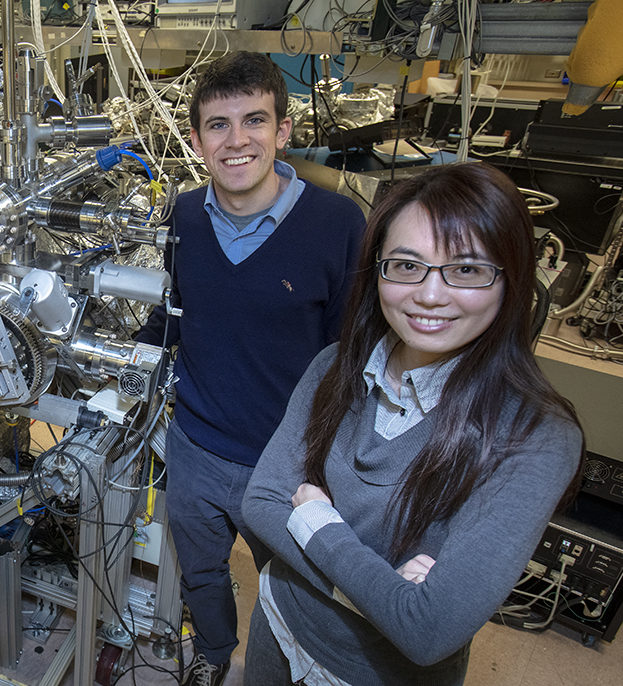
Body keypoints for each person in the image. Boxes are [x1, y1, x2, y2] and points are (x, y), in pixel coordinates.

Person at [241, 162, 584, 685]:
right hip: (280, 618)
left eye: (466, 270)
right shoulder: (334, 366)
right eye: (407, 265)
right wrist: (385, 593)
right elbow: (261, 502)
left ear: (510, 278)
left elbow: (427, 633)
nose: (430, 294)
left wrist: (316, 524)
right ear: (378, 269)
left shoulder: (535, 438)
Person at [135, 51, 366, 684]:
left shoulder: (337, 223)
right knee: (202, 571)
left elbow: (351, 356)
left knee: (294, 589)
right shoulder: (182, 214)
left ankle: (281, 669)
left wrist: (329, 463)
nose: (237, 142)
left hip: (286, 461)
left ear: (283, 132)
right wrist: (129, 360)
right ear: (195, 139)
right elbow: (173, 314)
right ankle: (212, 658)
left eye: (254, 121)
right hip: (196, 448)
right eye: (218, 125)